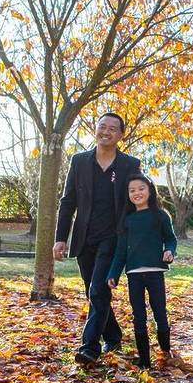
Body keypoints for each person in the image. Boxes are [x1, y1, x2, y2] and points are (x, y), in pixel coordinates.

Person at [53, 112, 142, 365]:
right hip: (84, 238)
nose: (106, 131)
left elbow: (138, 198)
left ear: (121, 135)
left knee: (99, 289)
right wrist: (61, 238)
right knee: (93, 292)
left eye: (113, 128)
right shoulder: (79, 161)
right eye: (102, 126)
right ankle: (113, 335)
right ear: (96, 129)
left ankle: (89, 347)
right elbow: (68, 201)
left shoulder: (129, 165)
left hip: (114, 238)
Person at [106, 174, 177, 369]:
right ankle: (144, 359)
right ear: (128, 194)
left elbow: (170, 239)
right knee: (139, 316)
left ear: (150, 190)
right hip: (134, 275)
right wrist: (113, 273)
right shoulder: (127, 220)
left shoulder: (161, 215)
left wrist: (170, 251)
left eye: (141, 188)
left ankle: (165, 349)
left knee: (160, 313)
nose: (137, 193)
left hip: (155, 273)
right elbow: (120, 251)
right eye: (132, 190)